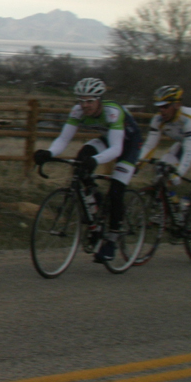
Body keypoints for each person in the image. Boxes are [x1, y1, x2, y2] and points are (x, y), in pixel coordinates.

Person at [33, 77, 141, 263]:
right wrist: (49, 152)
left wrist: (95, 160)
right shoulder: (77, 111)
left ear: (99, 99)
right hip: (108, 138)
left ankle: (112, 241)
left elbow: (117, 149)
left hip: (129, 144)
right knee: (82, 159)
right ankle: (95, 207)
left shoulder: (112, 112)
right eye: (81, 101)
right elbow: (63, 139)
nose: (85, 106)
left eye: (90, 101)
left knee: (116, 190)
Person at [137, 85, 191, 243]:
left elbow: (189, 151)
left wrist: (178, 173)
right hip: (189, 144)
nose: (162, 111)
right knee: (161, 168)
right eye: (159, 107)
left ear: (177, 105)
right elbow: (149, 146)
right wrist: (136, 166)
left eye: (165, 106)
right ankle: (174, 208)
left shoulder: (188, 120)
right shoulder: (158, 120)